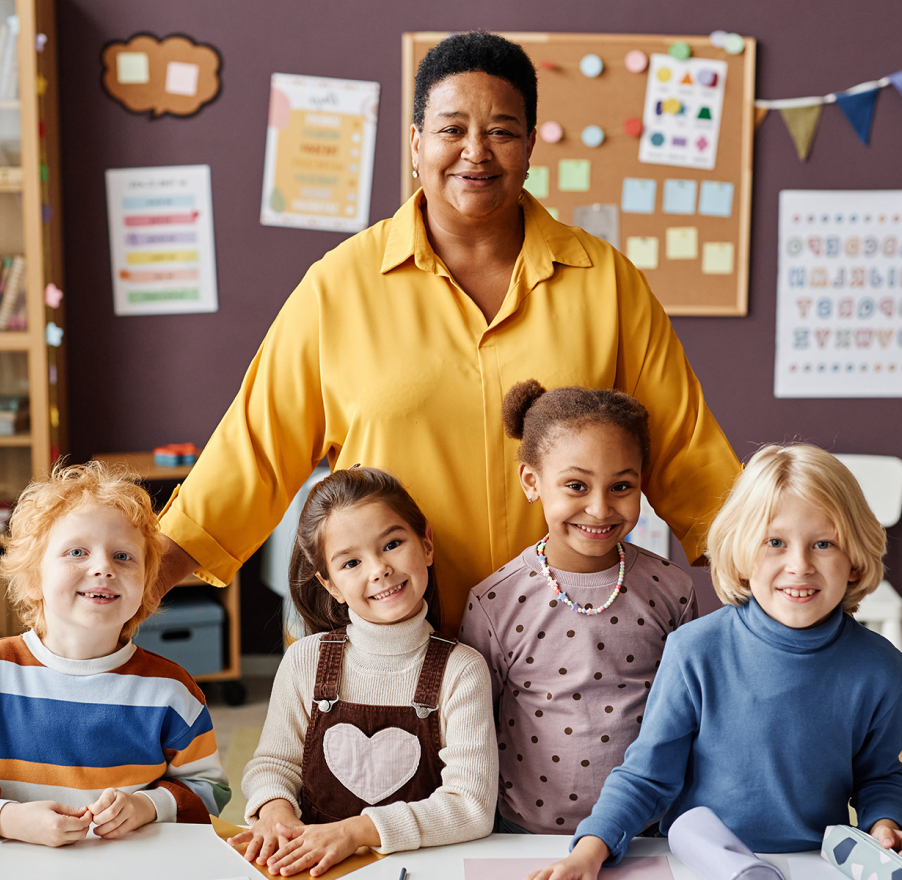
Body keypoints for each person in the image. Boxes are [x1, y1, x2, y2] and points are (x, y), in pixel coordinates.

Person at [155, 31, 740, 633]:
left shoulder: (606, 282)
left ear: (531, 145)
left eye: (502, 131)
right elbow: (252, 453)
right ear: (416, 143)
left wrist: (781, 573)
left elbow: (686, 456)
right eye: (451, 129)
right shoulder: (338, 285)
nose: (476, 153)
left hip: (569, 652)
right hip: (395, 648)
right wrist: (133, 587)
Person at [528, 444, 902, 880]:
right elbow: (647, 776)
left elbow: (878, 776)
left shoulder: (880, 667)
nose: (799, 565)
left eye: (823, 544)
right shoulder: (696, 650)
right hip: (696, 864)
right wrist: (587, 854)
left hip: (810, 866)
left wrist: (884, 825)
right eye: (775, 543)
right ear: (742, 556)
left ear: (854, 562)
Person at [228, 467, 496, 878]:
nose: (378, 569)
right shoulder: (305, 659)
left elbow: (470, 806)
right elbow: (273, 764)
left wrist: (355, 833)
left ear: (426, 545)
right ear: (330, 584)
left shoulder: (462, 670)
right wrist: (275, 814)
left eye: (392, 544)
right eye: (351, 562)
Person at [459, 380, 697, 835]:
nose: (599, 507)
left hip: (644, 830)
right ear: (532, 481)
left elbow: (687, 716)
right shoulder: (495, 601)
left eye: (621, 486)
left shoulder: (673, 589)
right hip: (525, 831)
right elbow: (474, 728)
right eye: (575, 485)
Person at [0, 462, 229, 847]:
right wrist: (8, 818)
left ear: (145, 586)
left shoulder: (172, 692)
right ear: (33, 578)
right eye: (77, 552)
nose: (103, 567)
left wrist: (148, 805)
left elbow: (211, 793)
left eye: (123, 557)